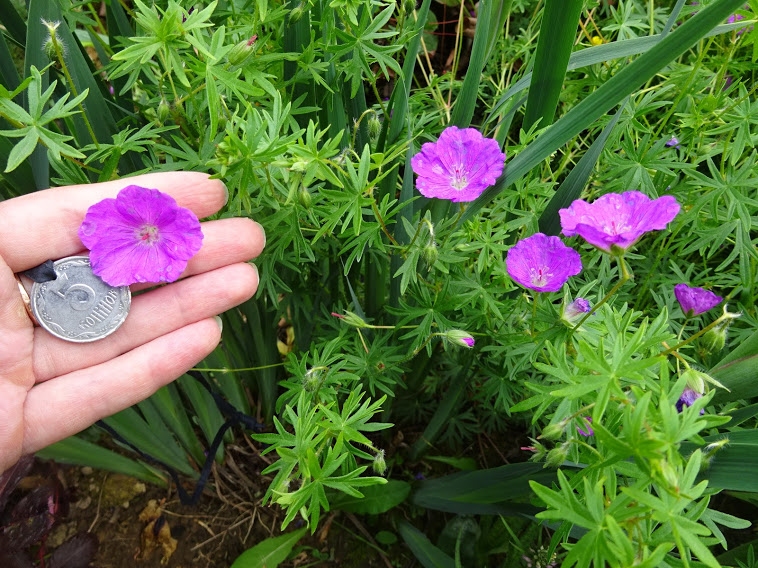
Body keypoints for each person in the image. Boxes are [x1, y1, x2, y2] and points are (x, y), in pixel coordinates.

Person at [0, 172, 265, 474]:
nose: (146, 235)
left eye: (148, 233)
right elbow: (113, 260)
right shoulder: (119, 236)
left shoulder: (169, 226)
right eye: (144, 233)